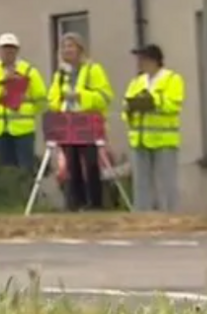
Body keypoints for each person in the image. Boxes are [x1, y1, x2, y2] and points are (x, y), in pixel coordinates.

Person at [45, 32, 113, 211]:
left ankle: (95, 203)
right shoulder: (60, 74)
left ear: (80, 49)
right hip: (67, 122)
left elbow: (105, 96)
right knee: (71, 163)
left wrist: (81, 96)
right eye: (64, 47)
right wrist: (59, 102)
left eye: (71, 46)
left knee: (90, 163)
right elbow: (52, 98)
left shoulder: (93, 70)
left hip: (87, 121)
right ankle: (76, 202)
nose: (67, 50)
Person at [123, 43, 185, 211]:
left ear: (155, 61)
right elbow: (126, 105)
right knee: (141, 182)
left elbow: (173, 105)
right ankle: (142, 215)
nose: (140, 63)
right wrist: (130, 109)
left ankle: (171, 213)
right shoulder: (137, 82)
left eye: (143, 59)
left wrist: (152, 102)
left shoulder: (172, 79)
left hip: (164, 138)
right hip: (140, 138)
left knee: (167, 181)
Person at [0, 33, 46, 172]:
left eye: (12, 48)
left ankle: (26, 193)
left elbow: (42, 100)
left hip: (23, 130)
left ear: (17, 50)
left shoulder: (29, 71)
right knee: (5, 171)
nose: (8, 52)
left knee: (25, 170)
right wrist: (2, 89)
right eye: (5, 48)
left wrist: (25, 103)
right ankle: (10, 194)